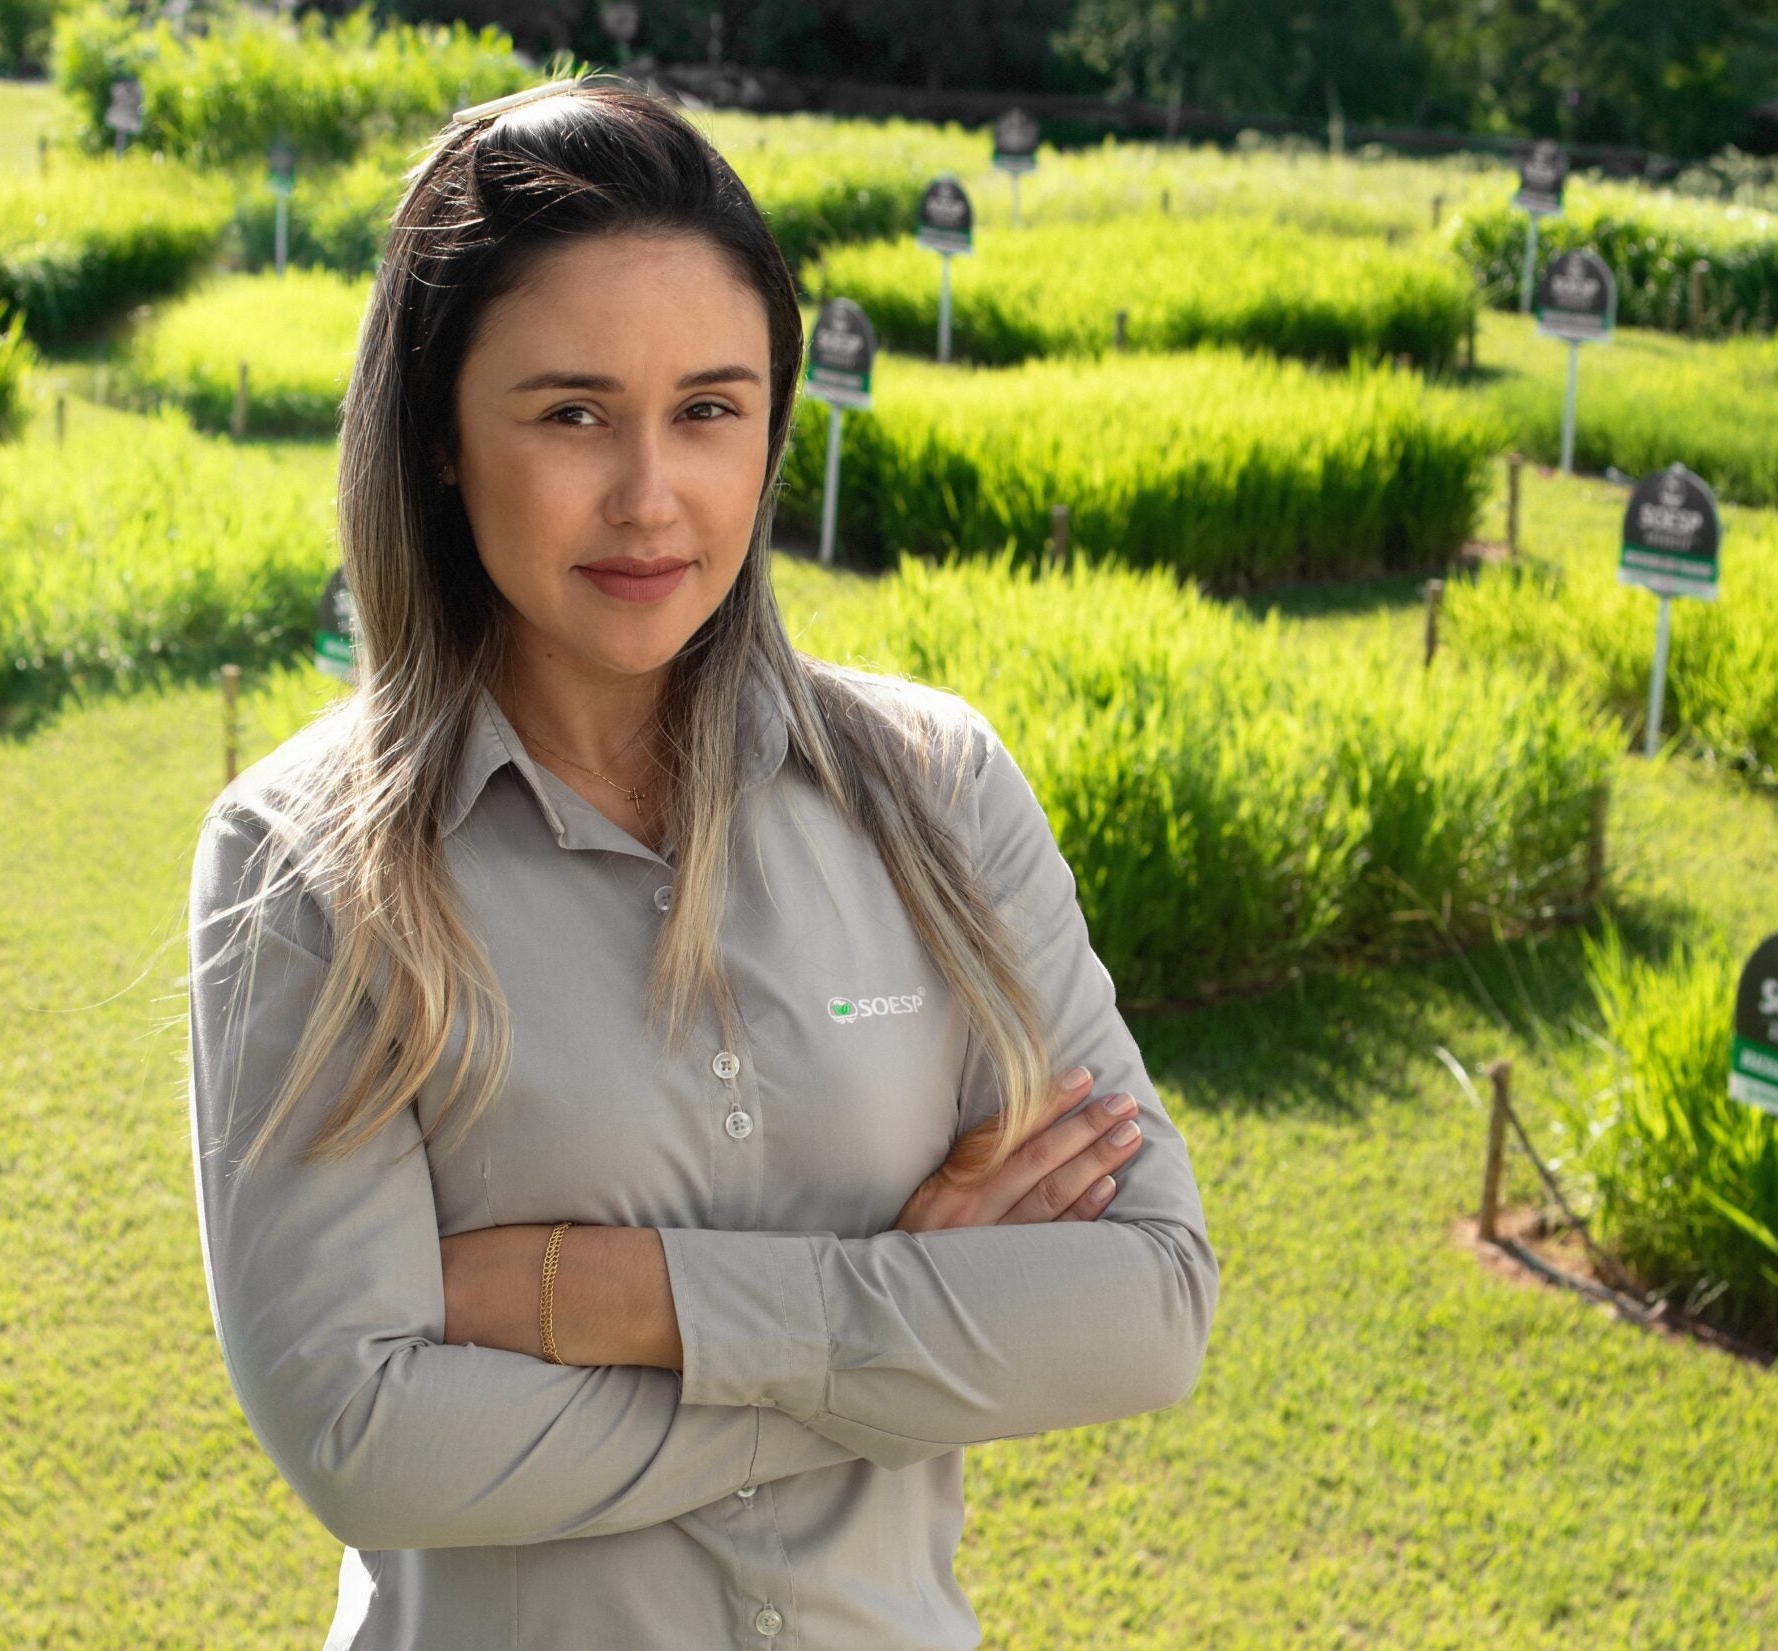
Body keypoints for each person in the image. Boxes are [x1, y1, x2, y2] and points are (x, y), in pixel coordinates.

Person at [184, 73, 1220, 1651]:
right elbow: (367, 1442)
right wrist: (903, 1319)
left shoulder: (938, 791)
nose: (650, 497)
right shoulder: (309, 867)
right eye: (572, 413)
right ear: (441, 436)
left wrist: (615, 1300)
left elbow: (1148, 1309)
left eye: (710, 411)